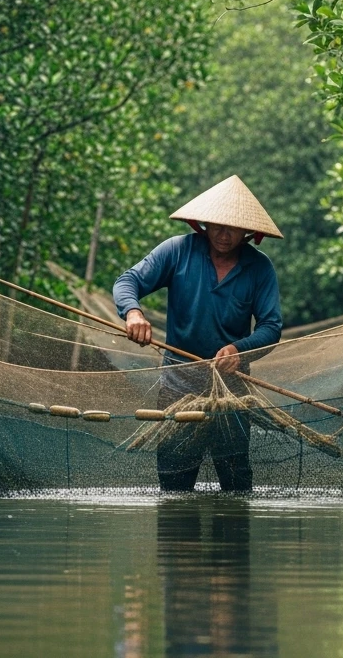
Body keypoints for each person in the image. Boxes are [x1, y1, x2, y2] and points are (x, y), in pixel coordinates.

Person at [113, 175, 283, 491]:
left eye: (233, 227)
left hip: (231, 391)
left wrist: (239, 349)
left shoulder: (259, 268)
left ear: (248, 231)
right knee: (174, 487)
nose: (223, 233)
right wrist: (133, 313)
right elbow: (128, 282)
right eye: (216, 224)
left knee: (236, 487)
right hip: (179, 386)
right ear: (203, 222)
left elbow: (271, 328)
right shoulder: (177, 251)